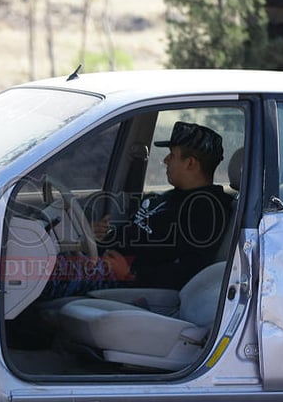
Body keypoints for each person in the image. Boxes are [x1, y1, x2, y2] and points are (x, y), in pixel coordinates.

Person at [41, 121, 233, 298]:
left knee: (31, 276)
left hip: (127, 281)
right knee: (29, 267)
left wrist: (130, 273)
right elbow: (139, 233)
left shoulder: (208, 209)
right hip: (103, 262)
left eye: (172, 154)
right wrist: (100, 235)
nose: (166, 160)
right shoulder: (170, 197)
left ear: (190, 163)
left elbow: (190, 268)